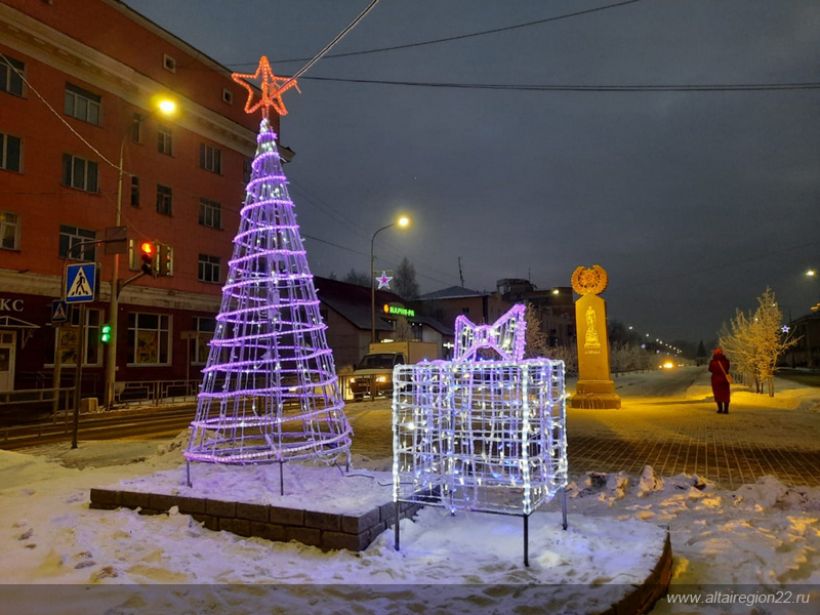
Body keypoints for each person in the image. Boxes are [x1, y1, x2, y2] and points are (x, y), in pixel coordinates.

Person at [708, 348, 731, 414]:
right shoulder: (726, 361)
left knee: (718, 394)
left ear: (715, 353)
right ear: (722, 353)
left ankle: (720, 409)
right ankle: (726, 410)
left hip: (716, 379)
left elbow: (710, 369)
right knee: (726, 394)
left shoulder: (712, 362)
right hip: (724, 379)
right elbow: (727, 368)